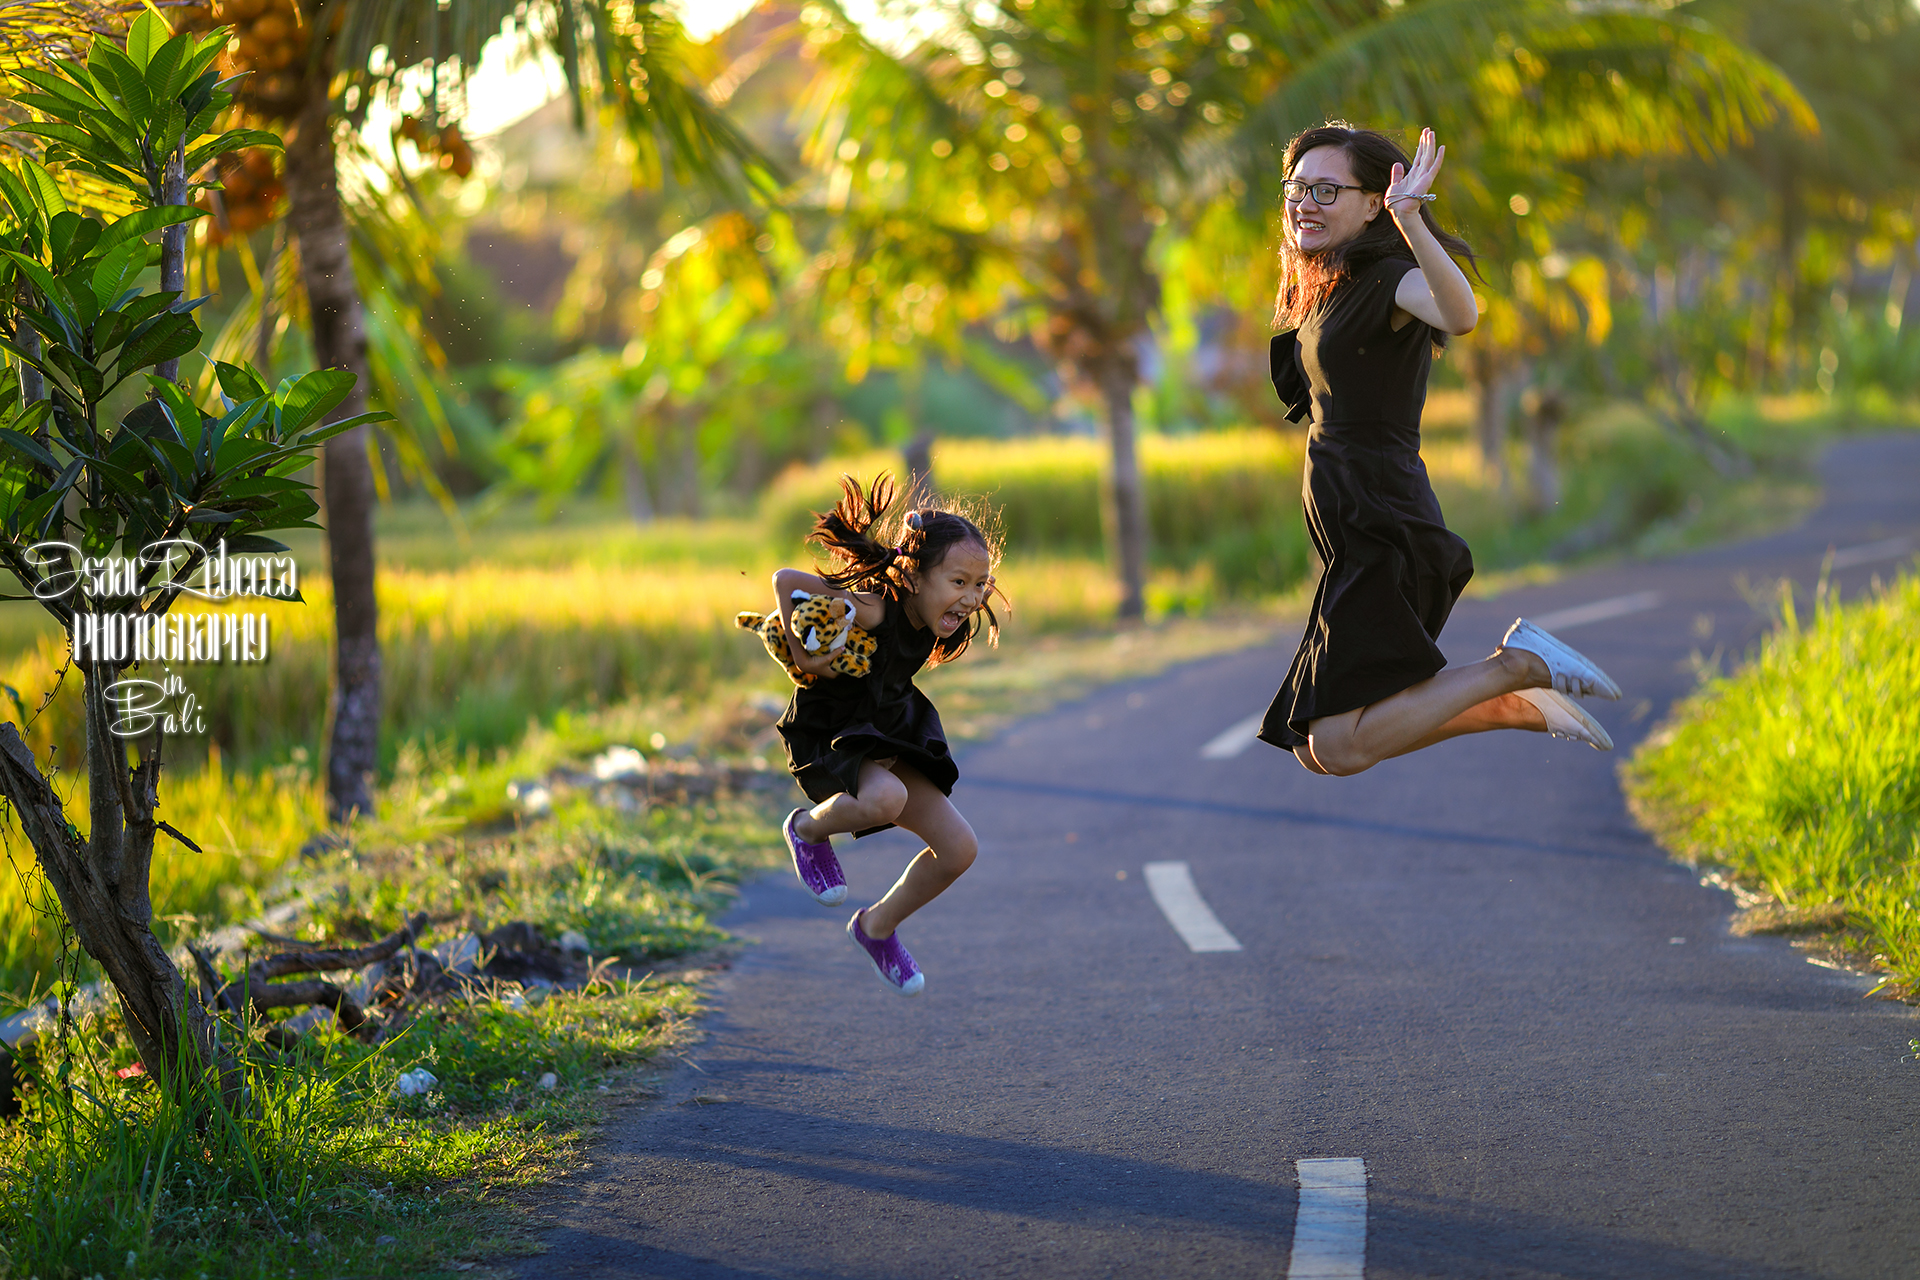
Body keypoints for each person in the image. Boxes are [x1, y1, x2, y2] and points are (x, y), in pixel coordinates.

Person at [1258, 123, 1622, 776]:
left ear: (1374, 202)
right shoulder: (1329, 290)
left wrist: (1411, 223)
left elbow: (1460, 313)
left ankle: (1518, 667)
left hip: (1384, 526)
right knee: (1315, 750)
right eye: (1296, 188)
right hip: (1352, 538)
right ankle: (1516, 705)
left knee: (1337, 745)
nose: (1304, 202)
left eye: (1325, 189)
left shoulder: (1390, 279)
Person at [768, 474, 1005, 995]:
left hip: (890, 729)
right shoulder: (877, 607)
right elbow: (786, 580)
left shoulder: (944, 618)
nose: (970, 597)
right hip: (834, 729)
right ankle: (807, 829)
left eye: (979, 584)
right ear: (916, 578)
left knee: (960, 850)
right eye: (958, 582)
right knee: (885, 798)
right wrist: (806, 659)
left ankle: (876, 927)